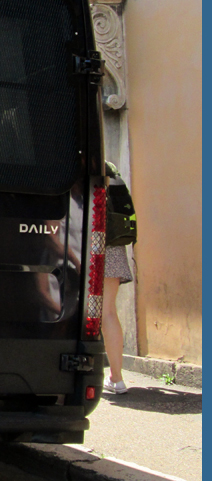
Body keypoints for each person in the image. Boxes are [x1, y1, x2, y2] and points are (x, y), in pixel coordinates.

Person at [102, 163, 137, 395]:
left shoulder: (81, 161)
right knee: (108, 312)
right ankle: (117, 377)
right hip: (113, 246)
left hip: (84, 244)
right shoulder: (111, 168)